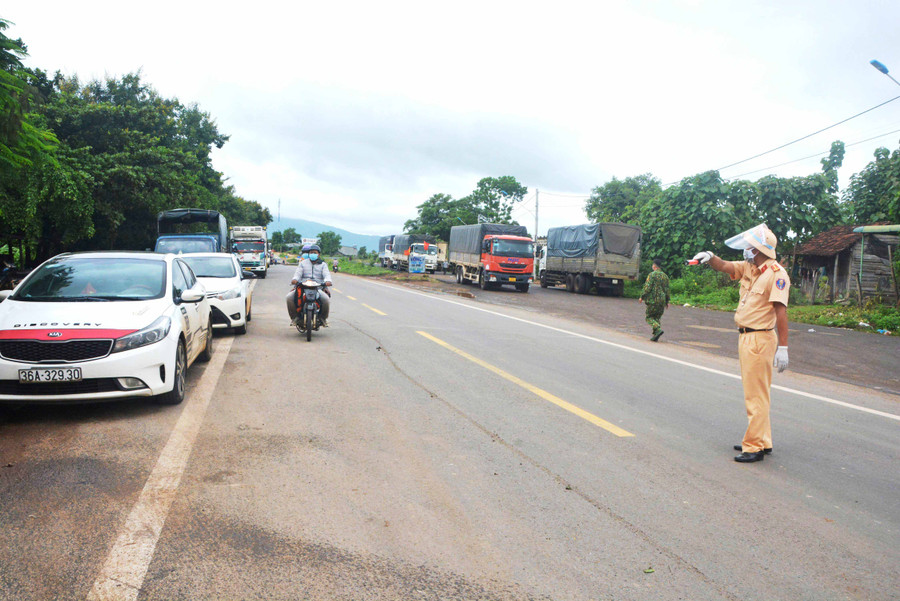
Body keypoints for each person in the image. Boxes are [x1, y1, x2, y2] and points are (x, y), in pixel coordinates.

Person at [690, 224, 790, 464]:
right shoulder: (750, 268)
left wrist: (783, 348)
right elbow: (725, 266)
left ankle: (754, 446)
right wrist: (710, 257)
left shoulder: (776, 275)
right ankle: (762, 440)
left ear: (758, 249)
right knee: (757, 393)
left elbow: (781, 312)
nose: (745, 250)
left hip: (759, 338)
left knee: (755, 396)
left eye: (749, 247)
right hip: (747, 337)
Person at [286, 244, 333, 326]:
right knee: (289, 297)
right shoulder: (303, 263)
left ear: (319, 254)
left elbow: (327, 275)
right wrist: (295, 280)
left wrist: (327, 281)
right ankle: (295, 317)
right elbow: (297, 274)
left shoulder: (323, 264)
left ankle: (323, 318)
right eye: (311, 252)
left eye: (315, 253)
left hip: (318, 288)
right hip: (303, 287)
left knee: (326, 300)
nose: (313, 254)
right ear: (308, 254)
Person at [639, 258, 669, 341]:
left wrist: (642, 296)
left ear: (654, 266)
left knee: (649, 317)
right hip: (662, 300)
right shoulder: (665, 276)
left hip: (653, 300)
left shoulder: (652, 275)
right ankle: (656, 335)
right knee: (657, 318)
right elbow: (667, 290)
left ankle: (658, 329)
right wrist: (667, 301)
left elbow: (647, 287)